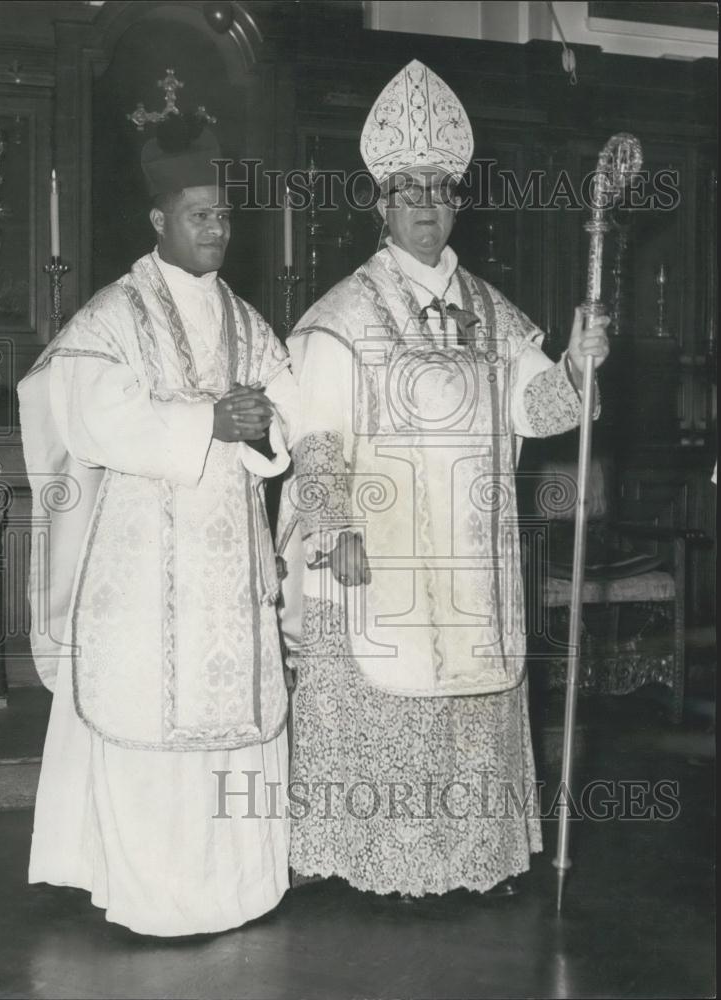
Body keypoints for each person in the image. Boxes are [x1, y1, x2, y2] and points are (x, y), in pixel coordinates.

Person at [277, 60, 609, 898]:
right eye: (410, 191)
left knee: (471, 685)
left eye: (441, 191)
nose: (427, 208)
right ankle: (386, 864)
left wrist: (580, 357)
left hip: (470, 554)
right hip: (375, 550)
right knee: (389, 682)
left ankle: (469, 859)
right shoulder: (342, 315)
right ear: (383, 203)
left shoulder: (494, 311)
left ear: (459, 201)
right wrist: (333, 530)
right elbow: (314, 435)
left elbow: (547, 407)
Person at [19, 114, 298, 935]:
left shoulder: (248, 321)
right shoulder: (114, 315)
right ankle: (152, 896)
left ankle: (236, 887)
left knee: (230, 720)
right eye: (198, 214)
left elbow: (288, 408)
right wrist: (201, 424)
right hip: (141, 571)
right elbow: (77, 407)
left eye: (224, 215)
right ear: (158, 220)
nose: (216, 229)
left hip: (228, 567)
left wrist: (263, 427)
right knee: (145, 713)